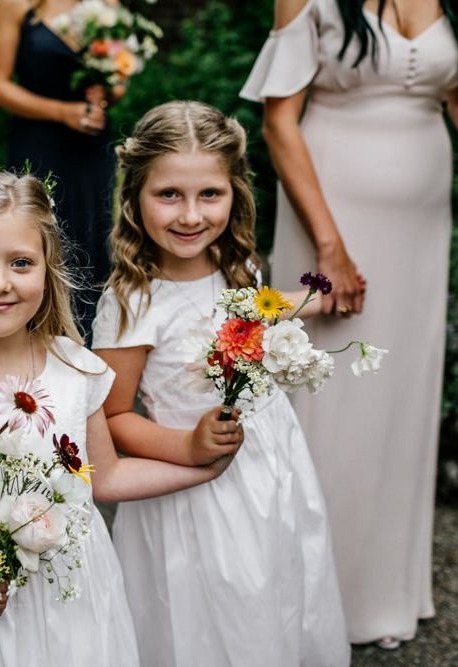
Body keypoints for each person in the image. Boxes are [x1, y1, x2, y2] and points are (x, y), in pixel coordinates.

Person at [0, 171, 243, 666]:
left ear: (49, 271)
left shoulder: (76, 368)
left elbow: (105, 476)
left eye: (21, 263)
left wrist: (197, 462)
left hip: (76, 589)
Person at [92, 101, 350, 666]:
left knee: (276, 589)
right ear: (135, 195)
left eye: (210, 194)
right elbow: (112, 418)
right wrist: (187, 447)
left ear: (235, 192)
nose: (190, 216)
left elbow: (249, 317)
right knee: (210, 613)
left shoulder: (240, 269)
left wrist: (309, 301)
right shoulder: (132, 300)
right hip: (191, 487)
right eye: (169, 195)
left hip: (271, 464)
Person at [240, 0, 458, 648]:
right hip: (332, 211)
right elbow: (279, 121)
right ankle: (311, 596)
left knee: (400, 395)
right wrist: (328, 247)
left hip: (421, 222)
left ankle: (385, 592)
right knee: (334, 393)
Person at [0, 0, 118, 336]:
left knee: (92, 239)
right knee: (41, 236)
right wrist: (62, 112)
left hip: (91, 146)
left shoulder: (107, 3)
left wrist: (105, 95)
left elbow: (117, 80)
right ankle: (33, 338)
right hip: (39, 140)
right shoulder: (14, 5)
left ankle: (89, 345)